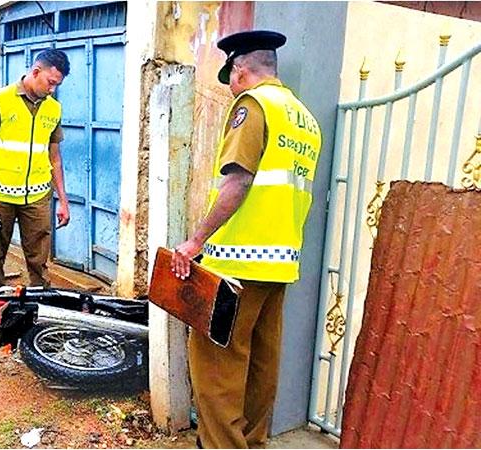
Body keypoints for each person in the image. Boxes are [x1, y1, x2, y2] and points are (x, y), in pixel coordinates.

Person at [171, 30, 322, 448]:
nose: (231, 86)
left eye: (231, 76)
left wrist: (194, 241)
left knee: (216, 367)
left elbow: (237, 182)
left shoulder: (252, 106)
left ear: (240, 69)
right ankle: (253, 443)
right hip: (279, 263)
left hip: (236, 263)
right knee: (260, 365)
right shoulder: (303, 117)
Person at [0, 49, 71, 289]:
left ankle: (38, 313)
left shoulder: (53, 108)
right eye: (50, 82)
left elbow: (54, 158)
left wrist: (63, 200)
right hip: (0, 197)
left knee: (39, 262)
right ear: (36, 72)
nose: (52, 89)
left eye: (57, 85)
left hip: (37, 197)